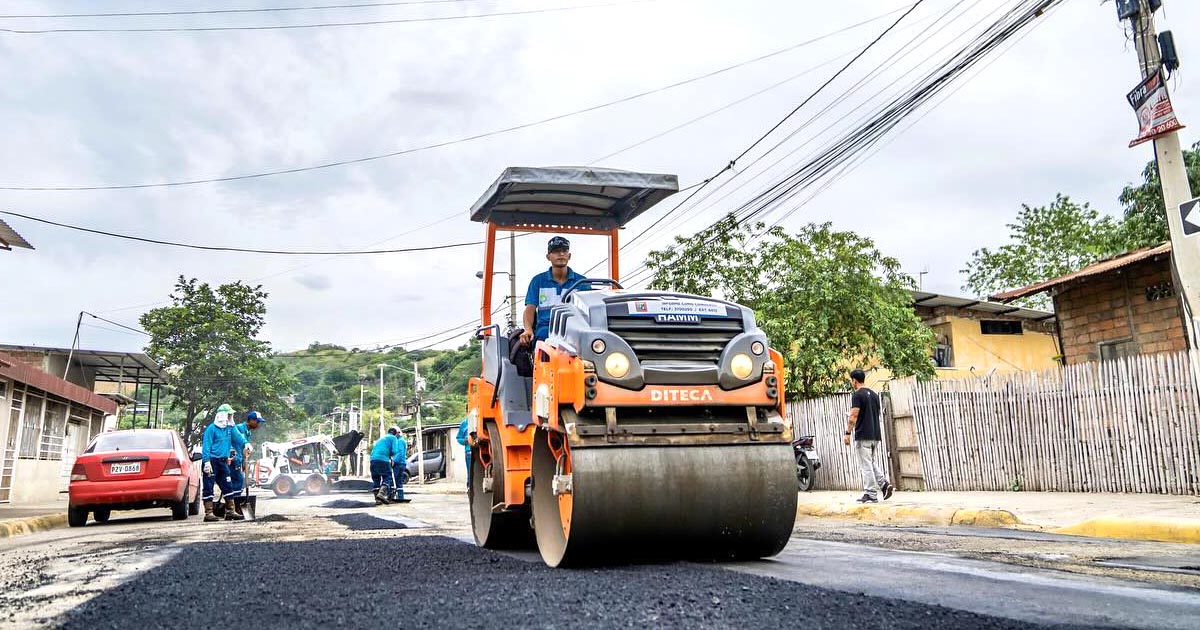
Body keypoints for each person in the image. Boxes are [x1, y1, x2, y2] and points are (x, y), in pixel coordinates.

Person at [519, 236, 586, 347]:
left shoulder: (581, 282)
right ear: (548, 257)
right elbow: (530, 309)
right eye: (556, 251)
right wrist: (528, 330)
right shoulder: (538, 281)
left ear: (569, 255)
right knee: (541, 339)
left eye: (564, 251)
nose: (561, 254)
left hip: (575, 328)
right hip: (547, 327)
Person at [844, 369, 893, 504]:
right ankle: (883, 484)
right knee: (870, 462)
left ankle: (870, 493)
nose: (852, 383)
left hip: (863, 435)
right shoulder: (874, 394)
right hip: (875, 434)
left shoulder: (857, 395)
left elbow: (854, 416)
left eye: (851, 380)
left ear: (854, 380)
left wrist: (847, 433)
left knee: (865, 465)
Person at [202, 404, 249, 521]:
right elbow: (206, 447)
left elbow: (238, 437)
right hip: (212, 461)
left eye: (231, 415)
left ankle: (230, 511)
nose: (230, 417)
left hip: (223, 462)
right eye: (228, 414)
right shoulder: (211, 429)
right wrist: (206, 461)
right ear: (222, 415)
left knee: (228, 485)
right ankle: (208, 514)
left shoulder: (230, 428)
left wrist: (246, 443)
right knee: (208, 486)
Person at [229, 410, 266, 519]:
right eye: (257, 422)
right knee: (238, 481)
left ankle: (233, 506)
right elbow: (237, 442)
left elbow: (245, 448)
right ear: (251, 420)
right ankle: (234, 507)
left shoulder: (248, 432)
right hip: (233, 458)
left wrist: (244, 463)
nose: (258, 424)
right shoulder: (239, 428)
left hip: (240, 459)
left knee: (238, 482)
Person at [369, 427, 402, 505]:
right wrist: (390, 455)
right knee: (388, 477)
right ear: (395, 433)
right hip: (383, 460)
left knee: (376, 478)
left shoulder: (381, 439)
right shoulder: (393, 438)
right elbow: (395, 451)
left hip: (373, 459)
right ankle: (381, 494)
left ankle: (377, 500)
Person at [389, 427, 410, 503]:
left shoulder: (400, 441)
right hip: (401, 463)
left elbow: (400, 453)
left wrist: (394, 461)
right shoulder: (400, 440)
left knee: (392, 480)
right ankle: (400, 497)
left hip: (398, 464)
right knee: (398, 481)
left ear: (398, 433)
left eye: (395, 433)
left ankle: (390, 496)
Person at [456, 417, 471, 488]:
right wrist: (465, 441)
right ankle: (469, 488)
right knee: (470, 472)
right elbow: (458, 438)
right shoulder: (464, 423)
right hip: (469, 452)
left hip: (482, 451)